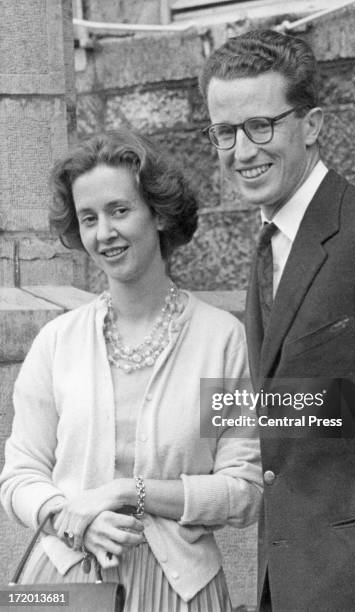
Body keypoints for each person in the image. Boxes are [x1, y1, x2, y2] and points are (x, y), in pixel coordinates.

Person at [199, 29, 355, 611]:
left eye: (261, 125)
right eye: (224, 132)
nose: (242, 151)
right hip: (293, 583)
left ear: (311, 125)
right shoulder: (268, 246)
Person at [0, 130, 262, 611]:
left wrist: (130, 493)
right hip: (64, 585)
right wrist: (70, 517)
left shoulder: (220, 341)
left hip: (180, 589)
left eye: (120, 210)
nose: (104, 232)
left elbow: (242, 490)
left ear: (158, 213)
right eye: (88, 218)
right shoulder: (58, 343)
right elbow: (18, 476)